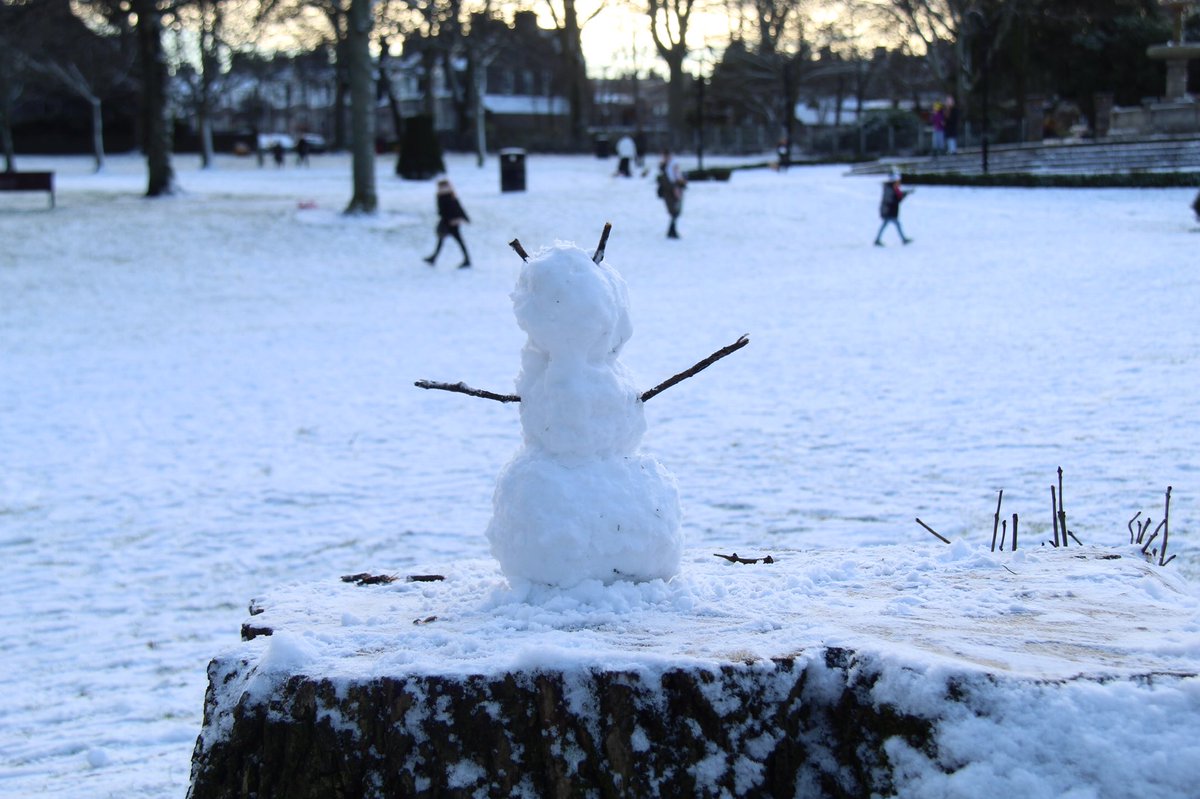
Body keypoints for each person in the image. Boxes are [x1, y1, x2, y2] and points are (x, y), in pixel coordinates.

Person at [424, 179, 471, 268]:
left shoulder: (442, 197)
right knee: (445, 240)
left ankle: (467, 259)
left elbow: (443, 211)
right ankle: (434, 257)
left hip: (448, 222)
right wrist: (465, 217)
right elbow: (458, 207)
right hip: (452, 221)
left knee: (451, 240)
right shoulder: (450, 195)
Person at [874, 172, 913, 246]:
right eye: (898, 181)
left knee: (886, 225)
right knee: (896, 224)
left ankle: (877, 239)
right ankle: (904, 239)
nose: (899, 183)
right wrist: (904, 195)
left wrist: (905, 194)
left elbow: (897, 197)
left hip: (889, 211)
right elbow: (895, 200)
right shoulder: (890, 189)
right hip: (888, 211)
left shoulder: (892, 188)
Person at [656, 150, 686, 239]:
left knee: (676, 212)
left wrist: (680, 185)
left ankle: (672, 230)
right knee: (673, 211)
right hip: (668, 192)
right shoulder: (664, 168)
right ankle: (671, 231)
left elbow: (678, 177)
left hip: (674, 191)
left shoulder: (672, 166)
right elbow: (664, 180)